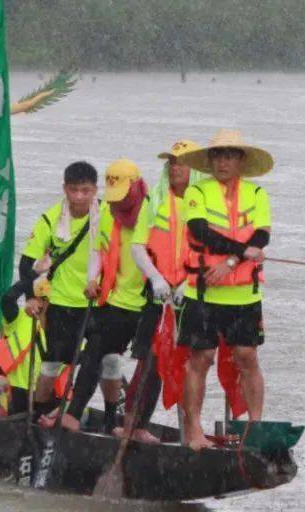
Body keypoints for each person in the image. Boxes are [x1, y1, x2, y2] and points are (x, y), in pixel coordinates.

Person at [177, 130, 273, 451]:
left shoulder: (258, 193)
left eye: (230, 155)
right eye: (218, 155)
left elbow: (261, 236)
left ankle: (254, 427)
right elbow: (201, 231)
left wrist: (231, 262)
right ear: (210, 160)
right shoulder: (197, 191)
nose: (223, 161)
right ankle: (194, 431)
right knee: (200, 359)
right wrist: (239, 252)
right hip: (203, 294)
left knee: (247, 357)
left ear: (241, 160)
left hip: (245, 295)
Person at [58, 159, 153, 433]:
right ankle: (76, 415)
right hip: (116, 300)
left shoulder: (153, 210)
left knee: (149, 367)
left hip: (150, 302)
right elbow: (98, 250)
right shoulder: (107, 211)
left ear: (136, 188)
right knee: (96, 355)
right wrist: (91, 279)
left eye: (122, 195)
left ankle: (136, 425)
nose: (117, 202)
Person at [120, 139, 202, 442]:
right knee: (149, 360)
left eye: (182, 162)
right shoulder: (155, 200)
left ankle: (190, 431)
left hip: (190, 295)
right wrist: (155, 278)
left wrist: (188, 282)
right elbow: (138, 246)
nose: (176, 167)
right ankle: (133, 425)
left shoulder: (203, 202)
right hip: (158, 294)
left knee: (192, 363)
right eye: (172, 162)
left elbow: (209, 249)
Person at [18, 161, 98, 417]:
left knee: (106, 361)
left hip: (96, 303)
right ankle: (39, 413)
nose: (79, 197)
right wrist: (30, 298)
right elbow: (25, 263)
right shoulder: (50, 218)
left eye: (85, 191)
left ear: (95, 190)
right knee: (52, 363)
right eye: (73, 190)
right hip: (61, 303)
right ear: (64, 189)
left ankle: (102, 417)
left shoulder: (106, 215)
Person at [0, 277, 51, 416]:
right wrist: (31, 274)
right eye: (41, 299)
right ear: (37, 301)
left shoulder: (63, 330)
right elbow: (8, 299)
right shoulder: (17, 317)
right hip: (11, 391)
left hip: (40, 396)